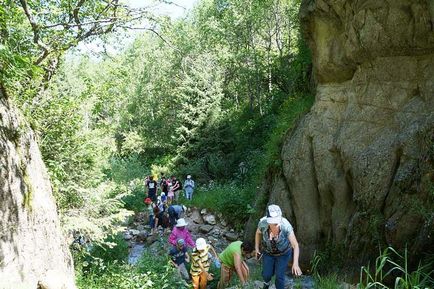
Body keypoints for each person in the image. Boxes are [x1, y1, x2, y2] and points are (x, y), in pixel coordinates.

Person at [255, 204, 302, 289]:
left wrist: (295, 264)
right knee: (266, 274)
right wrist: (256, 248)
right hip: (268, 252)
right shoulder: (263, 223)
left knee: (279, 277)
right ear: (269, 222)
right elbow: (258, 233)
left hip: (283, 254)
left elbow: (295, 245)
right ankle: (266, 283)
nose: (277, 225)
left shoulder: (286, 226)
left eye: (277, 223)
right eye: (274, 224)